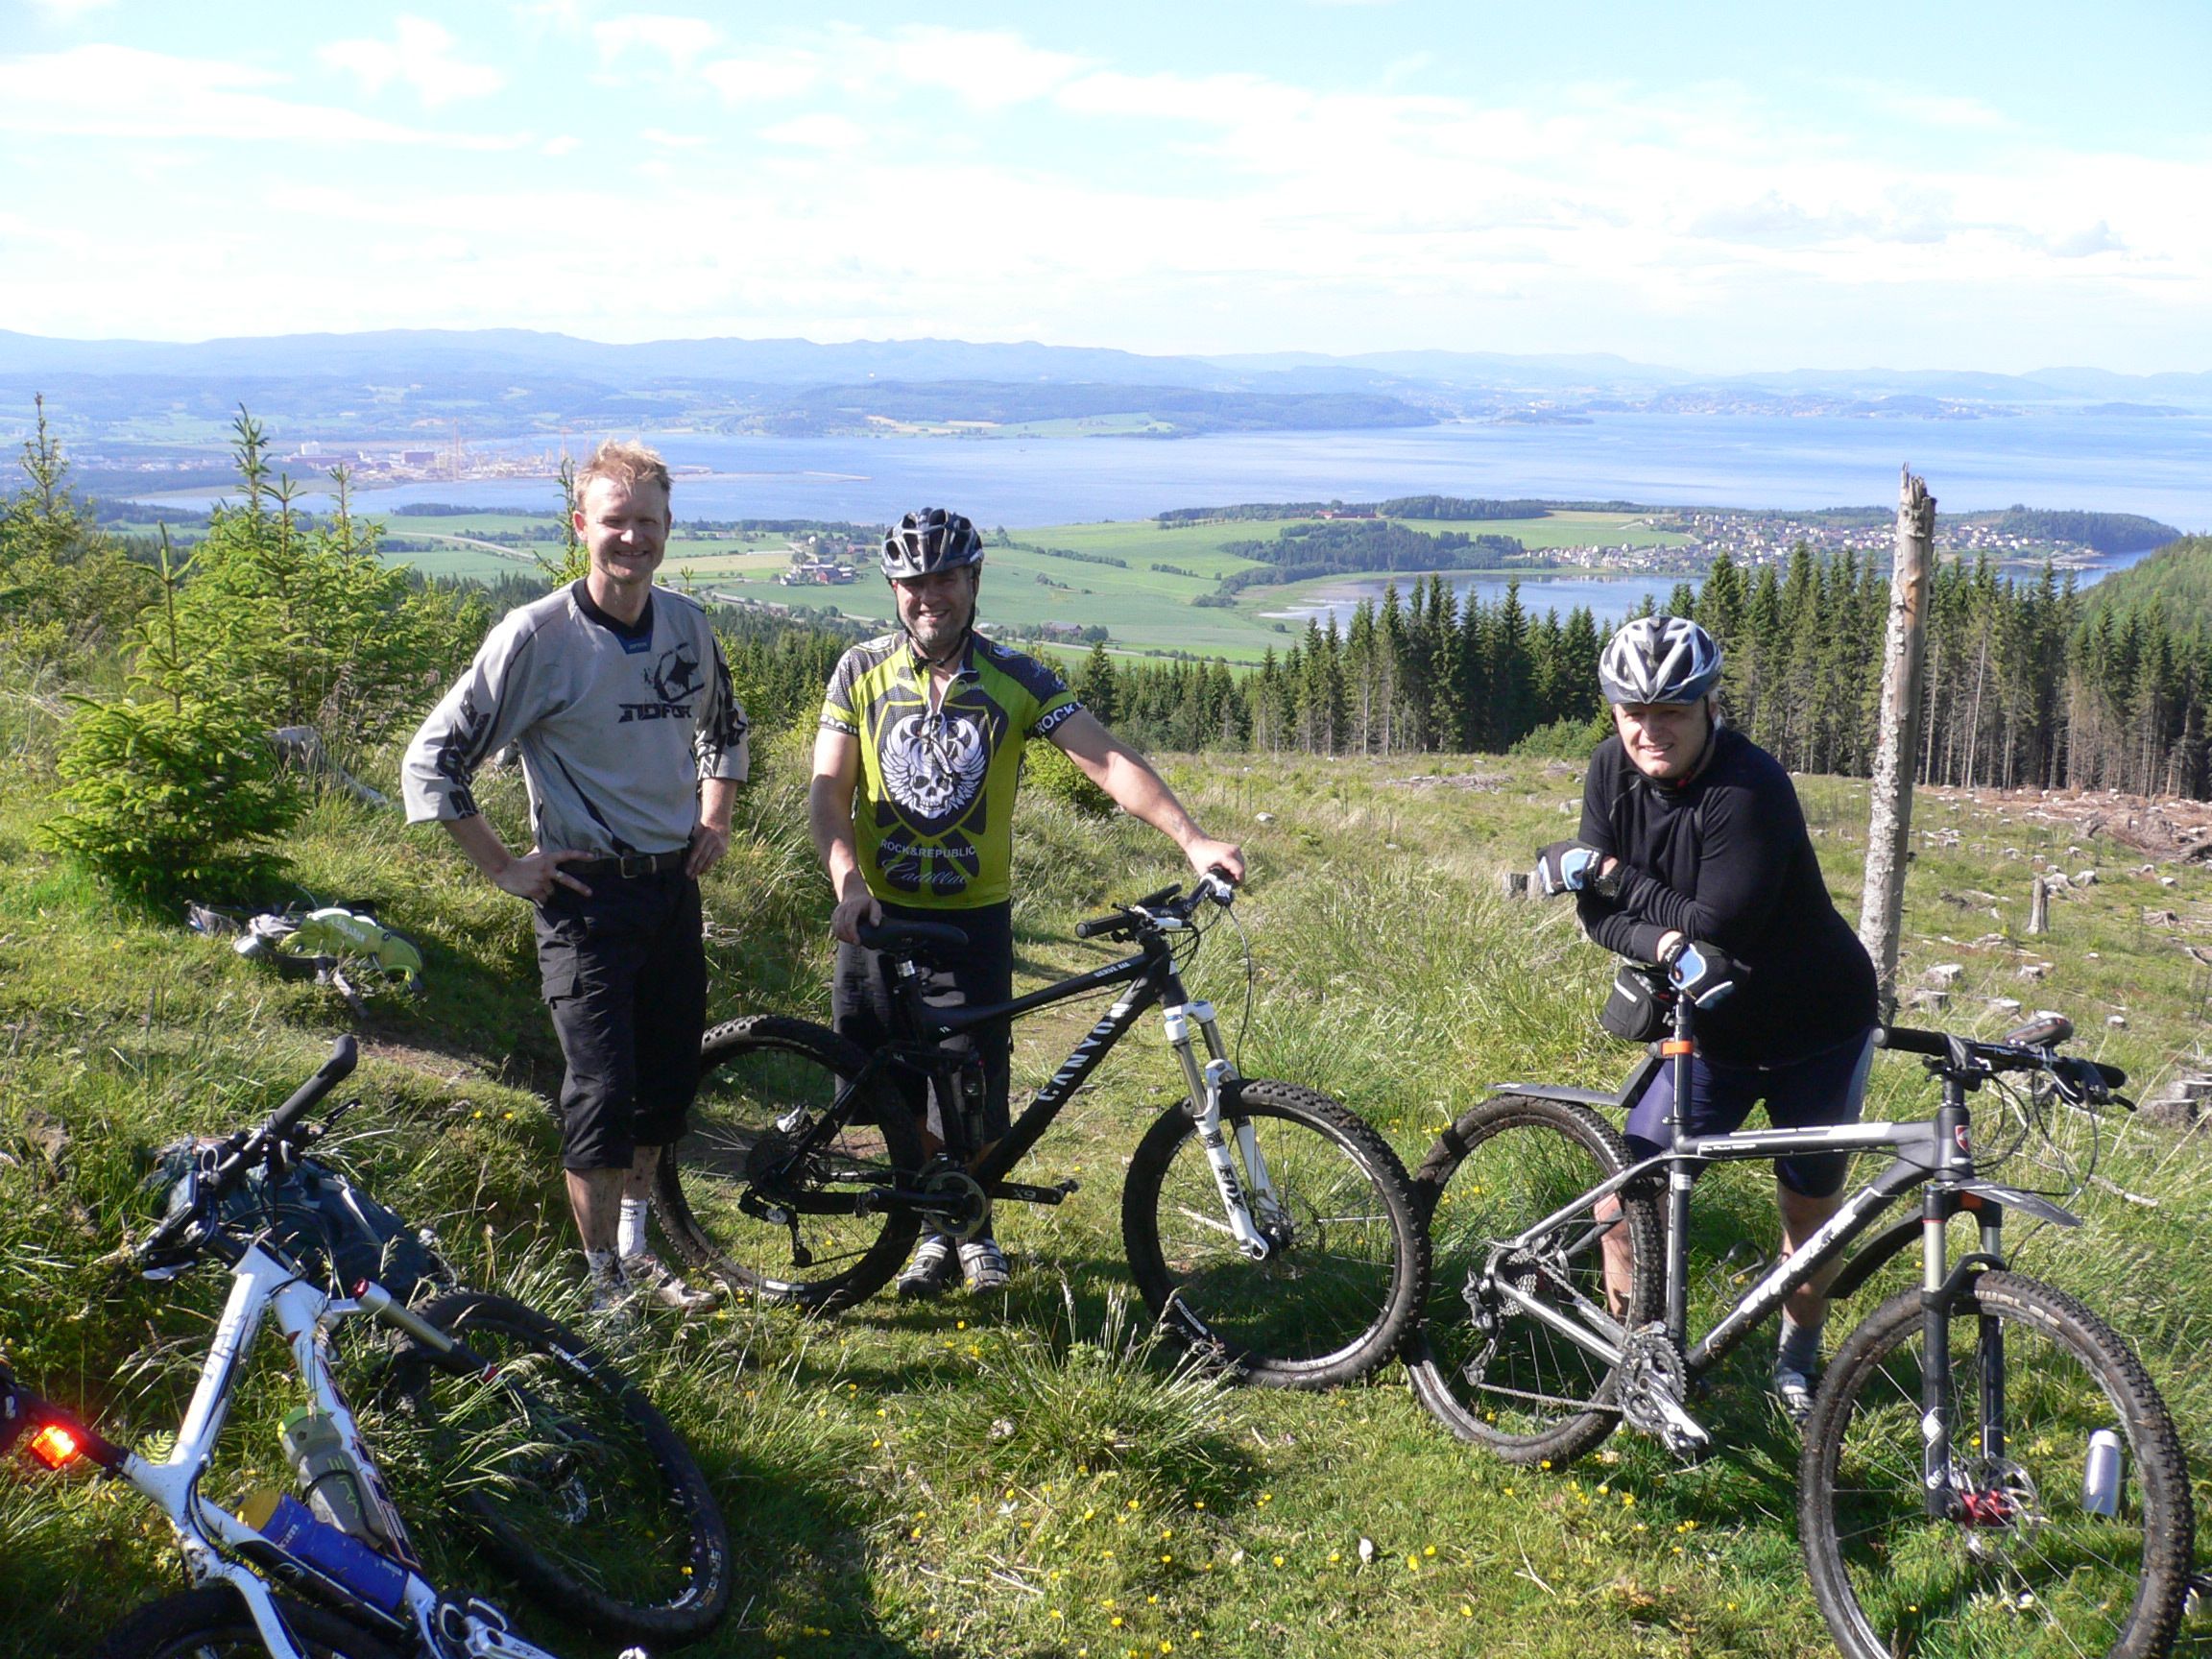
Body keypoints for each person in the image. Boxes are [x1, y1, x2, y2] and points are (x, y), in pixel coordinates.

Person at [810, 508, 1244, 1299]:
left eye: (944, 578)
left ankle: (966, 1230)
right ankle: (922, 1228)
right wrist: (848, 882)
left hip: (971, 919)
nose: (927, 595)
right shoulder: (859, 669)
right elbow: (828, 792)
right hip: (875, 915)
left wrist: (1192, 839)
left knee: (976, 1094)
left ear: (974, 582)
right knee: (888, 1092)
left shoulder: (1016, 676)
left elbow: (1108, 762)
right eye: (912, 582)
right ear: (894, 590)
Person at [402, 439, 749, 1320]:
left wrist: (715, 817)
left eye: (647, 522)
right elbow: (433, 762)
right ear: (579, 527)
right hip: (586, 899)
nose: (630, 538)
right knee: (600, 1093)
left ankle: (636, 1261)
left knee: (663, 1087)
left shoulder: (686, 625)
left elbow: (725, 727)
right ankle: (602, 1293)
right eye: (614, 522)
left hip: (672, 891)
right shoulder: (537, 638)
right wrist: (507, 869)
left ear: (669, 527)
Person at [1532, 614, 1878, 1422]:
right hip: (1707, 1028)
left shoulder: (1751, 788)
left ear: (1707, 707)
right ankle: (1635, 1361)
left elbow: (1718, 925)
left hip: (1815, 1027)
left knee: (1808, 1215)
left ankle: (1797, 1361)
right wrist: (1657, 930)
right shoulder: (1607, 772)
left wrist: (1613, 871)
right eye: (1632, 714)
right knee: (1625, 1197)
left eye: (1672, 714)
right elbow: (1596, 917)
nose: (1650, 733)